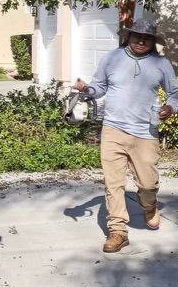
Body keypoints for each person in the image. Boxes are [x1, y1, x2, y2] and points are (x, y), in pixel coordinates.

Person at [74, 18, 178, 253]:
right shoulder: (112, 58)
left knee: (148, 183)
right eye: (137, 36)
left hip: (145, 132)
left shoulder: (161, 64)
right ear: (128, 36)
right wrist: (86, 89)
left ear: (153, 41)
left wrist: (170, 108)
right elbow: (99, 87)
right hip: (113, 129)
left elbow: (175, 93)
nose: (141, 41)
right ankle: (118, 231)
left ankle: (149, 204)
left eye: (147, 38)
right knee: (114, 184)